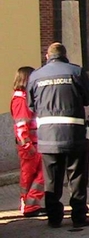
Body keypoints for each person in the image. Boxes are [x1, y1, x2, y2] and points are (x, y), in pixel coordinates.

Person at [27, 42, 89, 228]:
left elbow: (31, 105)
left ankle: (54, 217)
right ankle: (78, 216)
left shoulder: (36, 76)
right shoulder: (75, 72)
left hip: (47, 136)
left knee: (51, 179)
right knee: (77, 177)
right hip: (74, 134)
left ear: (47, 56)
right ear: (65, 55)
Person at [11, 66, 45, 217]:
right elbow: (21, 125)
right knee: (34, 175)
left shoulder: (24, 98)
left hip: (33, 143)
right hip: (30, 145)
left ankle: (31, 204)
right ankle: (30, 205)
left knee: (37, 174)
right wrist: (27, 144)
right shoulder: (21, 100)